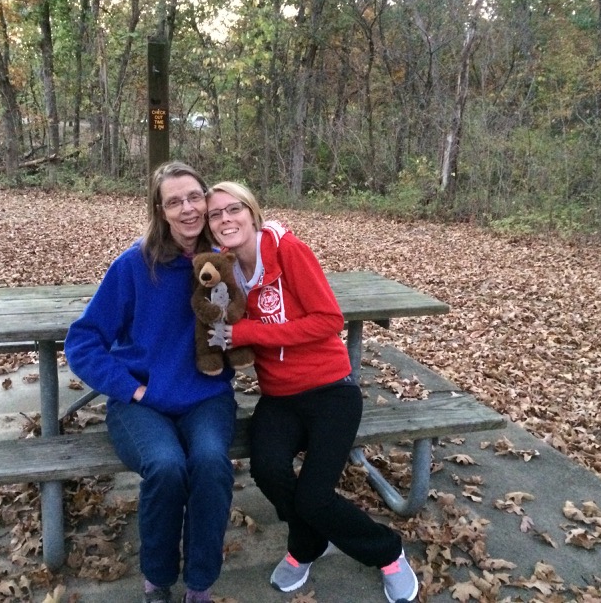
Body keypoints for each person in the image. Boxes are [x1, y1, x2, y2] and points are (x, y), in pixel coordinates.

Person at [204, 181, 419, 603]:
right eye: (216, 214)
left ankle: (388, 552)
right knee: (267, 470)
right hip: (280, 397)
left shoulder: (288, 251)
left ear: (252, 213)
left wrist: (247, 331)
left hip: (331, 392)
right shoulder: (225, 272)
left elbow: (329, 320)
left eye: (234, 209)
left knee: (315, 497)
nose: (225, 219)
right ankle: (308, 544)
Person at [64, 162, 237, 603]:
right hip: (141, 402)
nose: (187, 209)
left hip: (207, 396)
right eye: (174, 201)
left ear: (206, 200)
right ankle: (157, 581)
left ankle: (199, 585)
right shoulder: (133, 265)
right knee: (165, 466)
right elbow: (83, 341)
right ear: (159, 211)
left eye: (194, 197)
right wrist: (131, 388)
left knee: (211, 463)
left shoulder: (223, 260)